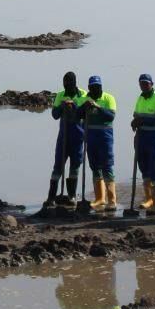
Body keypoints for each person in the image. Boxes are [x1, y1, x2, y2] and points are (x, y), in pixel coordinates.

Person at [46, 71, 88, 213]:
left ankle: (71, 196)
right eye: (65, 84)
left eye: (69, 84)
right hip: (63, 136)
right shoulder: (60, 95)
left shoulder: (83, 95)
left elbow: (83, 113)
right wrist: (61, 107)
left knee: (75, 166)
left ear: (74, 83)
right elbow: (54, 115)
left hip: (78, 136)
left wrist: (73, 107)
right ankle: (51, 196)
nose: (67, 87)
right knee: (58, 166)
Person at [130, 73, 155, 211]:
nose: (144, 86)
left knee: (154, 167)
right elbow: (136, 116)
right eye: (141, 83)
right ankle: (148, 199)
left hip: (154, 136)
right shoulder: (140, 98)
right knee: (143, 166)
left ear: (152, 84)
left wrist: (141, 120)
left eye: (146, 83)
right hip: (141, 136)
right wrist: (134, 122)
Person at [82, 75, 118, 209]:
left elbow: (111, 116)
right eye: (92, 87)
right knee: (95, 167)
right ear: (89, 88)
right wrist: (83, 107)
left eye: (97, 87)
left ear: (101, 87)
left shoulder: (109, 98)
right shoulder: (86, 98)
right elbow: (77, 115)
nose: (95, 89)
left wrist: (97, 107)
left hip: (105, 138)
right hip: (91, 137)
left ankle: (112, 200)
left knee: (107, 167)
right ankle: (99, 198)